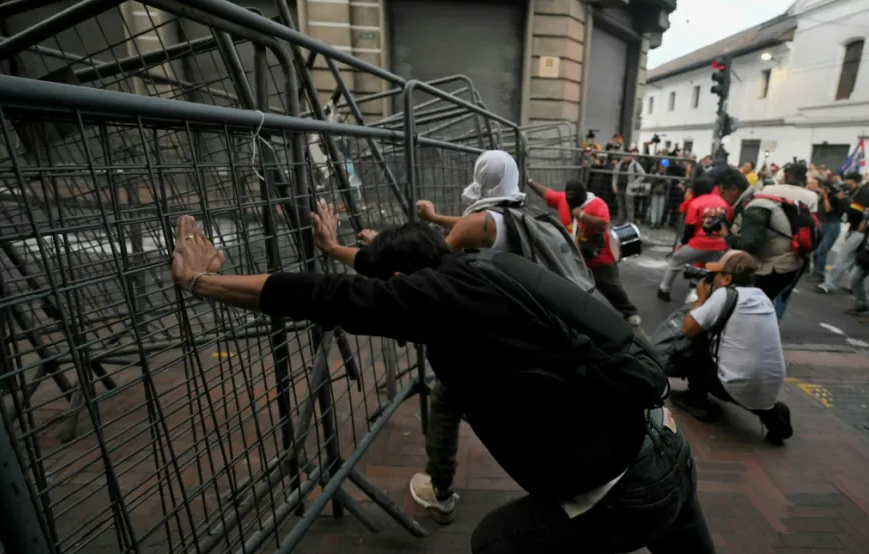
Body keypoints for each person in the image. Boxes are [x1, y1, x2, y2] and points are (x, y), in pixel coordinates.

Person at [170, 217, 716, 554]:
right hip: (662, 444)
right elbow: (379, 277)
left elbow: (330, 297)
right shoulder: (481, 274)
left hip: (624, 490)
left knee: (496, 543)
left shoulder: (441, 299)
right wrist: (342, 248)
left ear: (406, 286)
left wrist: (203, 282)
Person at [669, 250, 793, 446]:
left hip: (735, 383)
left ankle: (696, 399)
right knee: (752, 393)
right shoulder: (762, 297)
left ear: (727, 278)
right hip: (770, 384)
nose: (712, 279)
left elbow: (688, 328)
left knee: (696, 344)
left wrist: (701, 298)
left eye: (716, 274)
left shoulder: (725, 295)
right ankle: (772, 414)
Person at [527, 177, 642, 326]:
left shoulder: (597, 204)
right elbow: (546, 193)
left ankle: (630, 312)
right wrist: (529, 181)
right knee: (569, 284)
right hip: (574, 255)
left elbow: (603, 224)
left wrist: (581, 215)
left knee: (611, 287)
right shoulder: (563, 199)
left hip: (599, 257)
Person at [719, 162, 814, 303]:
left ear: (733, 189)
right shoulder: (755, 199)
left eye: (722, 192)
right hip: (778, 262)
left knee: (751, 305)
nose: (721, 196)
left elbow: (749, 245)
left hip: (777, 266)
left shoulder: (755, 207)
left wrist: (727, 237)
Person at [656, 177, 732, 302]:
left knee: (676, 261)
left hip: (700, 241)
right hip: (719, 244)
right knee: (712, 270)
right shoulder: (723, 203)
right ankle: (704, 295)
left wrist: (684, 243)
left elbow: (690, 227)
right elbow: (727, 223)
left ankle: (664, 288)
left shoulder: (696, 202)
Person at [816, 172, 869, 294]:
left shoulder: (863, 194)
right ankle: (851, 285)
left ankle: (829, 284)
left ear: (856, 182)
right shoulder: (855, 193)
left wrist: (843, 200)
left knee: (843, 257)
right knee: (852, 259)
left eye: (849, 182)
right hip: (856, 230)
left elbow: (854, 213)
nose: (846, 184)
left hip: (860, 231)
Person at [810, 177, 845, 281]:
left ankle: (819, 273)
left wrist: (825, 197)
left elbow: (828, 209)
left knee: (821, 251)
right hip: (822, 225)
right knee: (816, 251)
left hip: (832, 226)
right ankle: (815, 272)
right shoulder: (820, 197)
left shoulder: (833, 198)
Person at [611, 148, 646, 225]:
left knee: (629, 207)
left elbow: (643, 175)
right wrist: (614, 186)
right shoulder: (618, 164)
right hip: (619, 187)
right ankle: (621, 221)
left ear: (630, 156)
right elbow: (614, 176)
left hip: (629, 188)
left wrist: (633, 184)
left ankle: (630, 222)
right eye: (624, 156)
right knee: (620, 206)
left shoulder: (635, 164)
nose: (625, 157)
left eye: (627, 156)